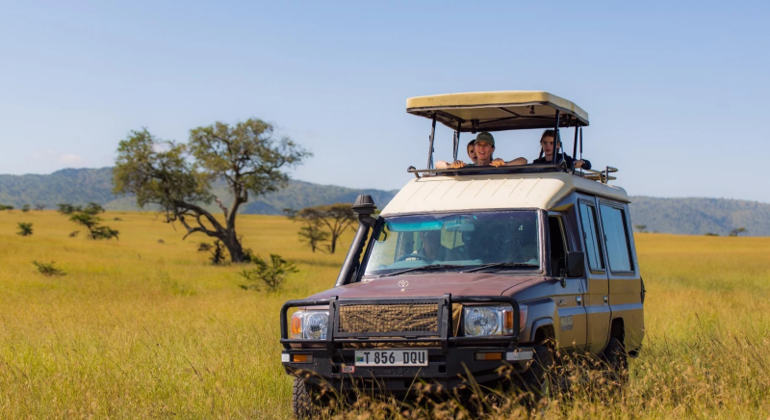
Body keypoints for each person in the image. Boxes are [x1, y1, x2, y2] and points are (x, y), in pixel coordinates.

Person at [450, 132, 527, 168]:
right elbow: (438, 164)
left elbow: (523, 160)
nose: (482, 148)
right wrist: (452, 165)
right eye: (479, 145)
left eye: (486, 145)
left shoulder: (497, 165)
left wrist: (505, 164)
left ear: (492, 149)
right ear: (475, 148)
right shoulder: (468, 167)